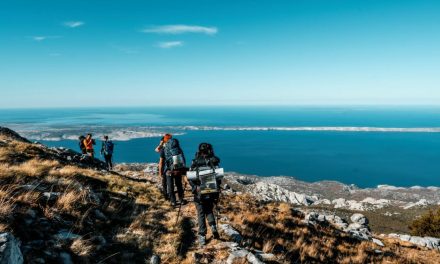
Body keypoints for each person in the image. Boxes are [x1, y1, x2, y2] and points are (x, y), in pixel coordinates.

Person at [189, 143, 222, 246]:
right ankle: (213, 227)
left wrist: (195, 188)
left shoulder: (195, 162)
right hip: (212, 191)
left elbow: (190, 178)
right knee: (209, 209)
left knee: (201, 213)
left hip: (199, 192)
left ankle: (202, 235)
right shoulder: (213, 161)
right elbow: (219, 178)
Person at [162, 134, 186, 206]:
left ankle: (173, 201)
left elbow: (162, 159)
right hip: (178, 169)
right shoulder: (178, 148)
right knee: (179, 184)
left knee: (170, 186)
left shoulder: (165, 148)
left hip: (169, 170)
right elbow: (183, 158)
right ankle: (181, 199)